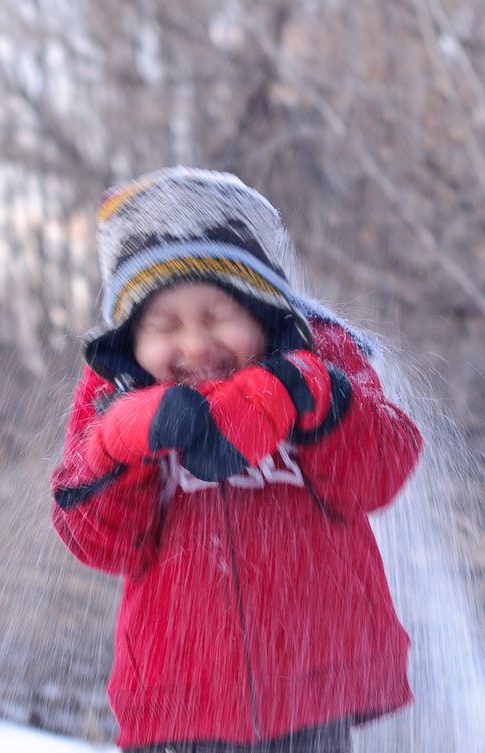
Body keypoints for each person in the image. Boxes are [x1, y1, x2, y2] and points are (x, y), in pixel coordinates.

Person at [51, 167, 423, 753]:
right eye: (164, 325)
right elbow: (97, 541)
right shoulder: (113, 393)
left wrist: (311, 395)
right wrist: (116, 445)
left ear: (262, 309)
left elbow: (381, 473)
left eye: (219, 315)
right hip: (180, 703)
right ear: (131, 338)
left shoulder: (318, 359)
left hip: (311, 690)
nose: (196, 345)